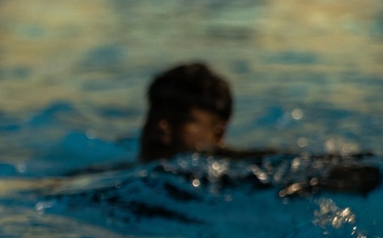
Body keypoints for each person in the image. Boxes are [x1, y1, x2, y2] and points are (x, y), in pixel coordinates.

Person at [137, 62, 379, 196]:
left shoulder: (244, 170)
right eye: (155, 114)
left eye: (181, 119)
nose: (160, 126)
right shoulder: (128, 173)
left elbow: (361, 172)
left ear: (218, 134)